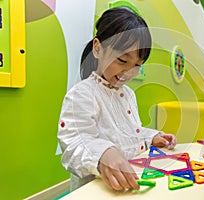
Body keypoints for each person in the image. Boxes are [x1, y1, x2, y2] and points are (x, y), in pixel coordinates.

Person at [57, 7, 177, 192]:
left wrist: (151, 136)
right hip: (96, 189)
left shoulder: (128, 94)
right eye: (122, 60)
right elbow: (74, 143)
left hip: (130, 183)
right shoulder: (81, 94)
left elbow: (130, 133)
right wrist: (103, 154)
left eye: (137, 65)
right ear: (97, 48)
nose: (129, 72)